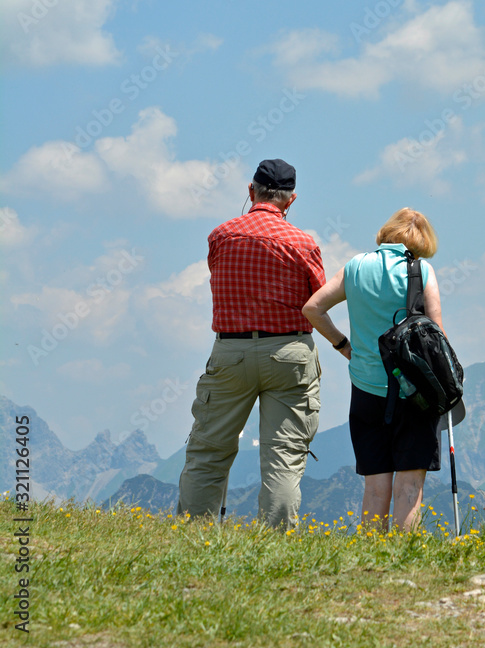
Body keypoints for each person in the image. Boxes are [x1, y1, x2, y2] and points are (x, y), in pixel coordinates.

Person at [177, 158, 349, 527]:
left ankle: (192, 535)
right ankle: (276, 541)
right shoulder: (303, 244)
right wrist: (342, 344)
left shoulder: (220, 236)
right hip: (290, 352)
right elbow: (316, 303)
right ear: (291, 200)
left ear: (251, 191)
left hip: (231, 350)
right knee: (283, 456)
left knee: (208, 449)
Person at [302, 207, 443, 531]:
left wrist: (343, 346)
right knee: (409, 485)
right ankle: (402, 559)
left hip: (365, 388)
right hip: (413, 392)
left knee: (375, 484)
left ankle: (372, 558)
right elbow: (436, 333)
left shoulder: (355, 267)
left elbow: (313, 307)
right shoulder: (421, 271)